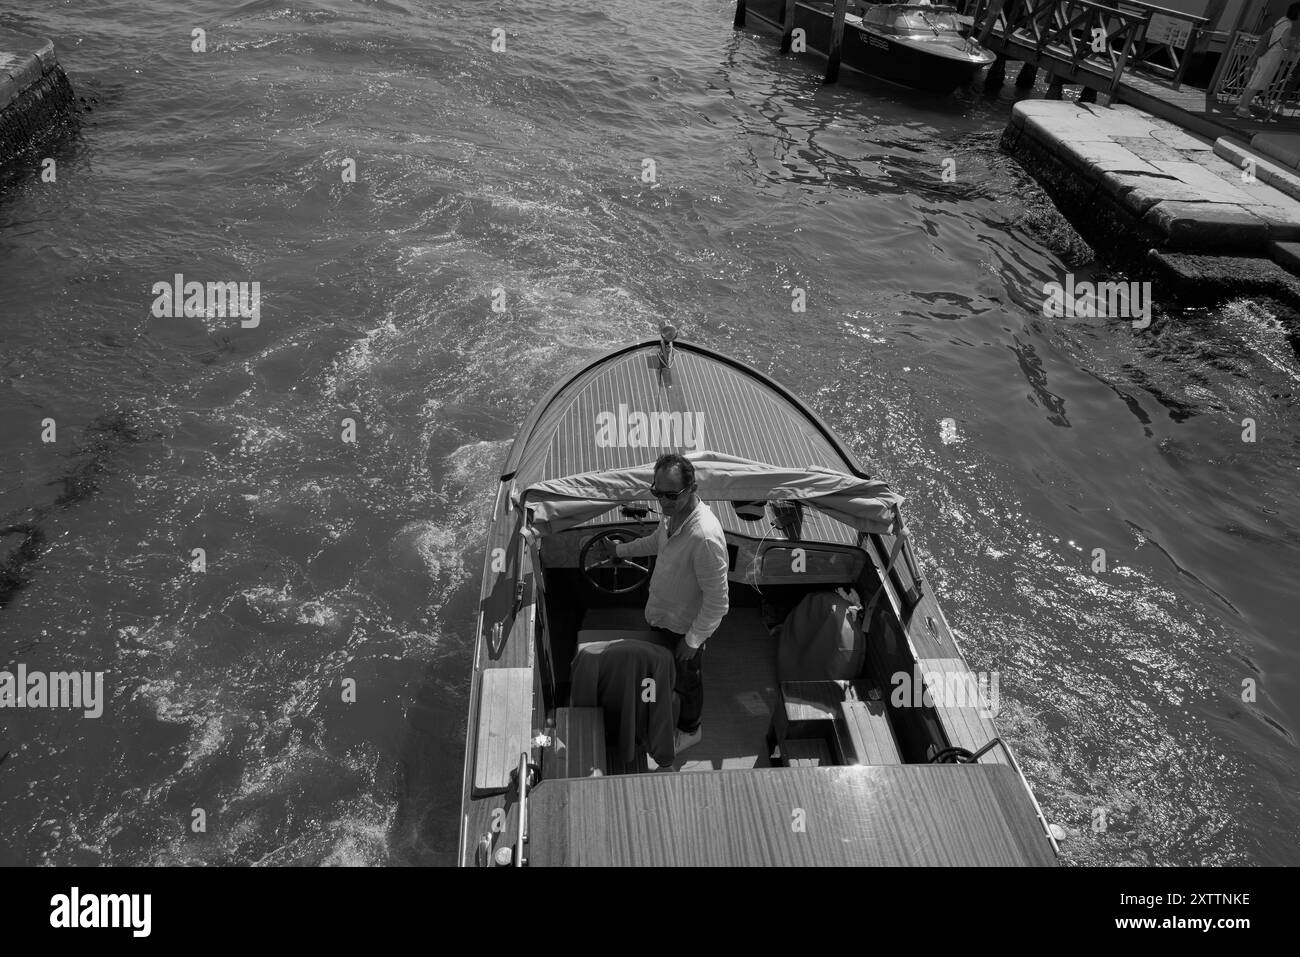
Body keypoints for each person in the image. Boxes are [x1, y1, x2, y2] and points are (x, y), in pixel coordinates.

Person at [595, 453, 729, 755]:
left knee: (688, 682)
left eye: (671, 495)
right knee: (666, 671)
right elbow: (655, 543)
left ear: (692, 488)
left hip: (683, 628)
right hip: (659, 615)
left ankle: (691, 729)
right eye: (657, 493)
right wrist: (619, 550)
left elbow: (719, 603)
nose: (663, 501)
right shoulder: (672, 516)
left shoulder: (705, 538)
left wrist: (693, 641)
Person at [1236, 3, 1300, 118]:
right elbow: (1284, 43)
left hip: (1264, 53)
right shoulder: (1288, 25)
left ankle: (1240, 106)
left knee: (1252, 82)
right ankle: (1243, 109)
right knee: (1257, 84)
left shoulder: (1282, 20)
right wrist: (1293, 45)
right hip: (1272, 56)